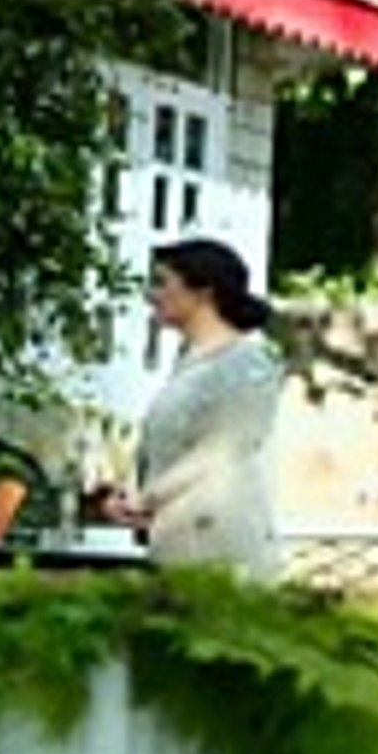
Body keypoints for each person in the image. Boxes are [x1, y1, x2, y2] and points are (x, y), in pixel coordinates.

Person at [102, 239, 285, 583]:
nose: (151, 295)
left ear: (203, 292)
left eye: (162, 283)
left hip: (219, 543)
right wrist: (130, 493)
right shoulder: (190, 361)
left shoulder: (247, 364)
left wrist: (148, 499)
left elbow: (223, 450)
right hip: (176, 539)